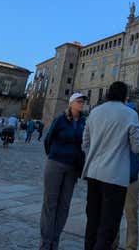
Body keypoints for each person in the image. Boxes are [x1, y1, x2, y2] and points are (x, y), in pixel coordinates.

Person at [82, 81, 139, 250]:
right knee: (108, 227)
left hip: (93, 174)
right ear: (125, 96)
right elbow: (137, 147)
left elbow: (84, 142)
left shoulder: (94, 112)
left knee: (92, 222)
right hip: (115, 177)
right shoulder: (130, 114)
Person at [39, 93, 87, 250]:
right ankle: (46, 242)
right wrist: (54, 155)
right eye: (79, 102)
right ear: (71, 103)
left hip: (72, 168)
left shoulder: (84, 122)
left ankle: (55, 240)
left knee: (64, 205)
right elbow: (48, 140)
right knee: (50, 203)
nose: (81, 104)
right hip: (56, 164)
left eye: (82, 102)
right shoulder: (60, 120)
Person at [112, 103, 139, 250]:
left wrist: (128, 172)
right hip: (115, 179)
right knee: (113, 214)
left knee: (131, 214)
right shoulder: (118, 130)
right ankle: (113, 243)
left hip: (130, 180)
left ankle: (131, 246)